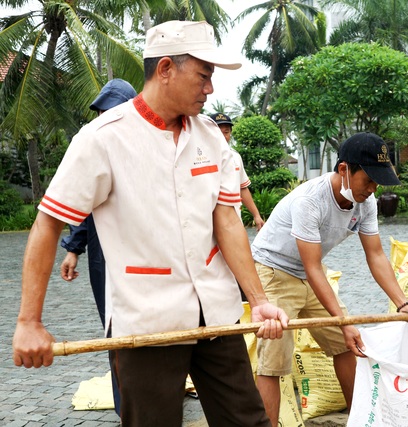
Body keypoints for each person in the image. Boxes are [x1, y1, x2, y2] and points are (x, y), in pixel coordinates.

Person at [12, 20, 289, 426]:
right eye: (203, 76)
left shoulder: (210, 136)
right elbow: (49, 224)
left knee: (248, 421)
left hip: (216, 313)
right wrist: (29, 322)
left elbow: (227, 221)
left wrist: (259, 300)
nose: (209, 89)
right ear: (165, 69)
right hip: (148, 321)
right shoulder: (103, 139)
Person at [251, 132, 408, 425]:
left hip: (308, 273)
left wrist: (403, 303)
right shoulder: (310, 201)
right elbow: (314, 266)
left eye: (376, 182)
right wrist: (343, 322)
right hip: (273, 270)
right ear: (344, 169)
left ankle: (362, 420)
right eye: (367, 180)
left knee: (348, 343)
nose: (372, 188)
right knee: (275, 359)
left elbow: (376, 255)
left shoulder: (364, 202)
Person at [58, 78, 137, 416]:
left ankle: (156, 393)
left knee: (155, 326)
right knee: (114, 328)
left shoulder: (152, 144)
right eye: (104, 113)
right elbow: (82, 204)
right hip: (105, 255)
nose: (109, 118)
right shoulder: (94, 146)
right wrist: (74, 248)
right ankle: (127, 408)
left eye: (115, 111)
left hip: (148, 253)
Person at [210, 112, 265, 230]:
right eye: (218, 132)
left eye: (226, 132)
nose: (223, 136)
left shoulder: (235, 157)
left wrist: (256, 215)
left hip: (234, 221)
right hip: (210, 223)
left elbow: (242, 187)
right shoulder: (201, 158)